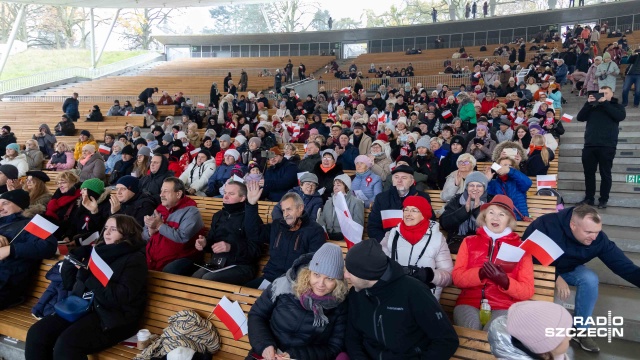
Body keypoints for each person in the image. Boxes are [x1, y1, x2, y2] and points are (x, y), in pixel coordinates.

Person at [25, 215, 147, 360]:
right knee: (37, 333)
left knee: (66, 345)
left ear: (127, 233)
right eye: (106, 228)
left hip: (111, 317)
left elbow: (118, 298)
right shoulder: (98, 251)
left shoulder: (135, 259)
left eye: (113, 229)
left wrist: (88, 277)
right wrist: (71, 260)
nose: (107, 233)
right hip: (82, 307)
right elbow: (70, 284)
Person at [523, 205, 640, 353]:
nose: (594, 237)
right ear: (573, 225)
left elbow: (623, 266)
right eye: (589, 232)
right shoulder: (545, 225)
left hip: (568, 269)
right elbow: (528, 256)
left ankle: (581, 330)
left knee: (590, 279)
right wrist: (555, 276)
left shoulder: (598, 239)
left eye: (597, 231)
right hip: (538, 269)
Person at [344, 240, 459, 359]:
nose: (345, 275)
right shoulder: (356, 294)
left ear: (366, 274)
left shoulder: (414, 291)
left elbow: (446, 340)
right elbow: (353, 338)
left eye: (350, 271)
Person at [248, 243, 348, 360]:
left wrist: (295, 355)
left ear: (338, 282)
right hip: (265, 354)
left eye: (329, 278)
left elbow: (333, 347)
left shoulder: (340, 304)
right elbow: (257, 314)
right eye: (316, 274)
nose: (320, 284)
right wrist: (264, 345)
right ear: (308, 273)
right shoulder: (283, 285)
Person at [452, 195, 534, 330]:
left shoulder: (521, 249)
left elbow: (527, 291)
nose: (495, 218)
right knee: (471, 331)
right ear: (484, 217)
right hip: (469, 302)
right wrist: (480, 274)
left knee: (491, 334)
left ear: (509, 220)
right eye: (491, 212)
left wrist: (505, 282)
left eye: (502, 214)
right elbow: (457, 279)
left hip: (504, 305)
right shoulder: (469, 242)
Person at [244, 182, 326, 288]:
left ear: (300, 208)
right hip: (270, 279)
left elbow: (314, 263)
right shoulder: (278, 225)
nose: (285, 214)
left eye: (289, 209)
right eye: (283, 210)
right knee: (241, 294)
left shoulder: (314, 230)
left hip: (294, 283)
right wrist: (251, 205)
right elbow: (254, 233)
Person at [381, 195, 453, 300]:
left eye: (414, 210)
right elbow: (378, 264)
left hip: (424, 298)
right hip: (394, 293)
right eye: (406, 209)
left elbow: (449, 276)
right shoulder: (391, 234)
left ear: (424, 215)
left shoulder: (437, 238)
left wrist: (430, 275)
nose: (408, 214)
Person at [192, 180, 260, 285]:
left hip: (242, 265)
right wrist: (205, 244)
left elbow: (256, 250)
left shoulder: (250, 218)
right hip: (218, 263)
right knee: (194, 278)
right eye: (225, 193)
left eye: (231, 194)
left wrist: (231, 247)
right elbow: (212, 241)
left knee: (208, 279)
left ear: (242, 198)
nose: (225, 197)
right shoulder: (218, 215)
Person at [0, 189, 57, 309]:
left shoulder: (33, 223)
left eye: (5, 203)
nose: (0, 207)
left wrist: (11, 249)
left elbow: (49, 246)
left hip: (7, 286)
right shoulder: (2, 223)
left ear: (20, 206)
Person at [142, 177, 204, 275]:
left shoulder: (191, 212)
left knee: (169, 270)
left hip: (179, 259)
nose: (161, 195)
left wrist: (159, 226)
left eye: (166, 191)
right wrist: (150, 232)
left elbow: (183, 237)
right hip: (152, 258)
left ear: (178, 194)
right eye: (161, 191)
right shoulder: (160, 209)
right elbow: (143, 234)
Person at [576, 86, 626, 208]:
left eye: (605, 93)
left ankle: (604, 199)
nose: (603, 95)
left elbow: (620, 117)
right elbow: (580, 117)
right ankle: (589, 198)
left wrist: (605, 104)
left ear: (611, 94)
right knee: (589, 173)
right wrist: (588, 103)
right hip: (590, 144)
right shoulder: (593, 106)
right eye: (601, 93)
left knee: (605, 173)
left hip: (607, 145)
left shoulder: (617, 106)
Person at [368, 165, 436, 242]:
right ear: (392, 180)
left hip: (414, 243)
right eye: (396, 177)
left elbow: (430, 223)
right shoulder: (381, 198)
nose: (399, 180)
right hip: (387, 244)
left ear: (411, 182)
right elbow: (373, 227)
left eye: (404, 178)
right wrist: (387, 243)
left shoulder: (422, 197)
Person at [488, 301, 573, 360]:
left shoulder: (554, 353)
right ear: (544, 354)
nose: (570, 337)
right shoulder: (552, 353)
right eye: (565, 334)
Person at [318, 174, 365, 240]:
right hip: (327, 237)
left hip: (346, 238)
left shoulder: (356, 202)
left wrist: (343, 235)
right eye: (334, 185)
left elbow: (358, 225)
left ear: (346, 187)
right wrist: (324, 232)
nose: (335, 187)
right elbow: (321, 219)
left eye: (338, 185)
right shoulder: (328, 202)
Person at [44, 171, 81, 237]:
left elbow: (74, 221)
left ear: (73, 182)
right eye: (58, 183)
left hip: (65, 232)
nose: (60, 185)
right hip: (54, 228)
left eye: (63, 182)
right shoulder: (58, 196)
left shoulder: (79, 198)